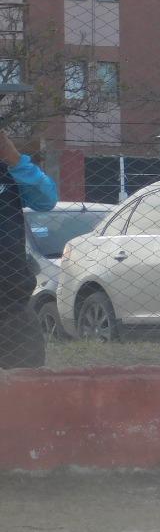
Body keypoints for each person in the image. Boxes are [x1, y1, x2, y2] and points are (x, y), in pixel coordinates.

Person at [0, 130, 58, 369]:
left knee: (27, 383)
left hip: (11, 300)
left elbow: (45, 199)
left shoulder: (10, 172)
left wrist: (13, 158)